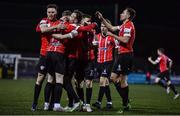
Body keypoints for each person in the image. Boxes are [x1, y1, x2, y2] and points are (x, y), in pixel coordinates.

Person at [96, 7, 136, 113]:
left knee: (122, 81)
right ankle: (126, 100)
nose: (121, 14)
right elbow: (112, 28)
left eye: (123, 13)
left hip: (126, 55)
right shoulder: (123, 25)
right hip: (121, 55)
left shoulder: (128, 25)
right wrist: (102, 18)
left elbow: (125, 40)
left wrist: (113, 35)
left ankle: (125, 104)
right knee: (113, 78)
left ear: (128, 16)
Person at [31, 4, 62, 111]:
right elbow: (43, 30)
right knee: (40, 78)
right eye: (49, 12)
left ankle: (50, 104)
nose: (50, 14)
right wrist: (56, 27)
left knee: (52, 80)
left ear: (56, 12)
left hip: (55, 55)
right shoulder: (44, 21)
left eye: (53, 12)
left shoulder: (60, 22)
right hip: (44, 54)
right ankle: (34, 103)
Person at [92, 20, 117, 110]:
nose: (103, 27)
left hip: (108, 62)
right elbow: (93, 48)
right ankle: (109, 103)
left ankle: (98, 102)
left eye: (105, 26)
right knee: (105, 83)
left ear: (108, 27)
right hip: (99, 63)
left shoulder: (112, 37)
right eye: (102, 26)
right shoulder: (97, 37)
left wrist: (116, 63)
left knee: (102, 81)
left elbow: (117, 50)